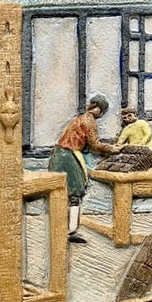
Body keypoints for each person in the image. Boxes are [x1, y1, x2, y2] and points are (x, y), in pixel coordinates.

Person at [49, 94, 123, 244]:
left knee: (62, 192)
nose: (102, 114)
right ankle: (71, 230)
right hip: (68, 156)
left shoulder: (81, 118)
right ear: (99, 108)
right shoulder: (89, 120)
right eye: (102, 111)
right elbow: (95, 145)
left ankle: (61, 228)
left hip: (59, 154)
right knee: (75, 192)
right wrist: (112, 149)